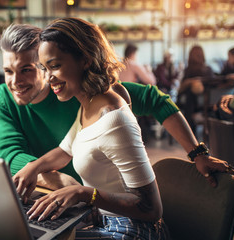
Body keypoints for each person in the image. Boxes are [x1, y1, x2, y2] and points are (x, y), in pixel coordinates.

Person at [0, 23, 234, 192]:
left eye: (27, 69)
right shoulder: (3, 96)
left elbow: (156, 99)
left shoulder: (84, 91)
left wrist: (198, 153)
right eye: (8, 71)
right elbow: (9, 153)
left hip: (101, 201)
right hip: (53, 190)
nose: (15, 82)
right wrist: (58, 180)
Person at [13, 17, 168, 239]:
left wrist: (83, 193)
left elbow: (152, 210)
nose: (49, 79)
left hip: (134, 230)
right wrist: (33, 167)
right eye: (45, 68)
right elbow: (67, 150)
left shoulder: (113, 119)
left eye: (55, 66)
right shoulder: (89, 104)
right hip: (106, 220)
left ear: (85, 59)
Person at [178, 45, 214, 134]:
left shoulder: (188, 71)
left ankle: (189, 132)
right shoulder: (209, 70)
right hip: (208, 102)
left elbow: (181, 89)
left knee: (187, 93)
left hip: (191, 103)